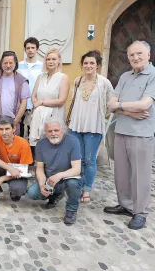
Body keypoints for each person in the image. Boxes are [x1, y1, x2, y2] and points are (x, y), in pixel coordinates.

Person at [104, 40, 155, 230]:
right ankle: (125, 205)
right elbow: (111, 104)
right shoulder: (125, 76)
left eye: (139, 54)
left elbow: (144, 105)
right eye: (132, 55)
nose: (135, 57)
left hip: (142, 134)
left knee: (140, 175)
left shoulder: (153, 76)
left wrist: (120, 107)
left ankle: (140, 212)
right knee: (121, 173)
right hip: (121, 131)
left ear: (148, 55)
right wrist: (127, 111)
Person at [67, 50, 113, 203]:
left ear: (98, 66)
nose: (88, 65)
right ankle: (78, 186)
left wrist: (99, 117)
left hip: (94, 126)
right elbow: (74, 101)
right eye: (85, 63)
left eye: (92, 63)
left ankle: (87, 189)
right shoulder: (77, 81)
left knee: (89, 159)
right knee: (77, 159)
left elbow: (110, 103)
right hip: (76, 125)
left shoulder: (104, 83)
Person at [27, 119, 82, 225]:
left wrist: (59, 175)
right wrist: (42, 184)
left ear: (63, 130)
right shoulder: (41, 144)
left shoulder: (73, 141)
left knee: (73, 184)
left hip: (69, 177)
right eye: (50, 131)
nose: (53, 133)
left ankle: (71, 210)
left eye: (56, 130)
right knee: (32, 193)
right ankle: (56, 195)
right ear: (45, 132)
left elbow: (76, 169)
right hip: (50, 179)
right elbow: (39, 168)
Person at [0, 116, 33, 207]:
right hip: (1, 167)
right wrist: (9, 168)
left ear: (14, 129)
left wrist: (2, 178)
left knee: (18, 189)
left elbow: (23, 170)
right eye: (1, 129)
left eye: (7, 129)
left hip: (18, 171)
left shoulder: (24, 144)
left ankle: (14, 191)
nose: (4, 132)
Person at [29, 48, 69, 147]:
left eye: (53, 59)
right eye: (48, 59)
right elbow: (33, 95)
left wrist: (42, 102)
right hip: (38, 117)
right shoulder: (40, 77)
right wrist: (35, 103)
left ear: (59, 60)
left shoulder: (63, 77)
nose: (50, 62)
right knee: (38, 145)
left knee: (52, 143)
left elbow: (61, 100)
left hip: (54, 117)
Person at [0, 51, 30, 135]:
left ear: (15, 63)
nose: (8, 65)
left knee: (11, 147)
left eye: (11, 63)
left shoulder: (22, 80)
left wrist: (16, 121)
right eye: (5, 63)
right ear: (1, 63)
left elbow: (24, 102)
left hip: (12, 122)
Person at [17, 37, 44, 139]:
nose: (30, 50)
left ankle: (32, 154)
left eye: (33, 48)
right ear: (25, 50)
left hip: (34, 104)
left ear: (37, 49)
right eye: (28, 48)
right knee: (19, 131)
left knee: (33, 133)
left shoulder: (42, 66)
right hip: (20, 103)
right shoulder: (18, 65)